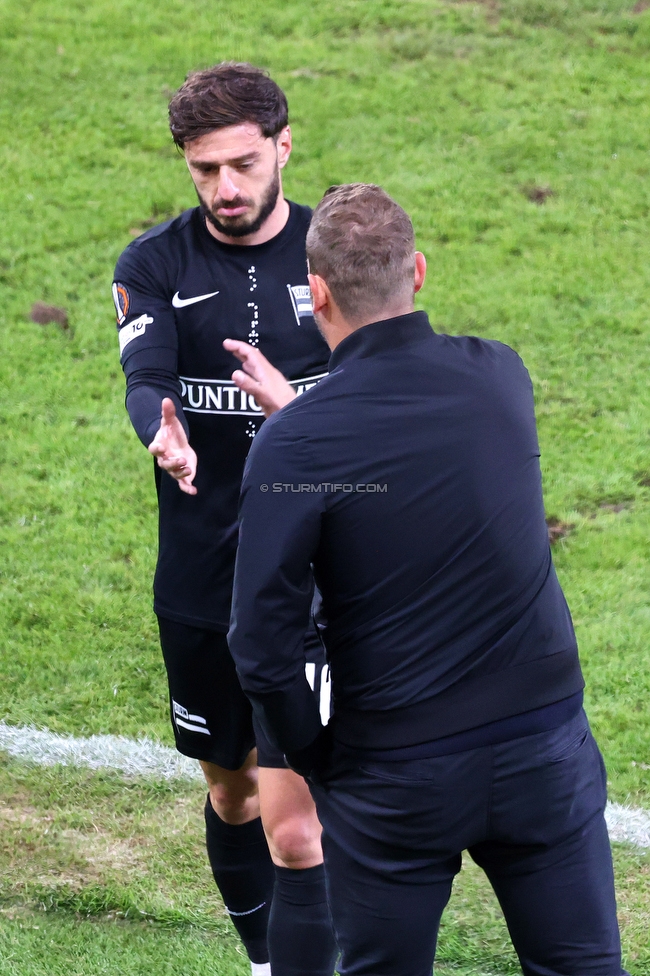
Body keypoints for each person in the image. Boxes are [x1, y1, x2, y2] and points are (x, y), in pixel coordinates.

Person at [228, 183, 629, 976]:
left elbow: (261, 646)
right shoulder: (501, 375)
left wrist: (313, 754)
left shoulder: (297, 445)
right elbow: (407, 459)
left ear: (315, 295)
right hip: (543, 749)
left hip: (394, 776)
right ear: (417, 271)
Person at [112, 63, 337, 976]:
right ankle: (264, 959)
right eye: (205, 169)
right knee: (235, 793)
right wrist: (159, 432)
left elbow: (386, 394)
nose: (225, 187)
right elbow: (147, 377)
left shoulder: (333, 253)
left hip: (319, 576)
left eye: (243, 163)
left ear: (284, 146)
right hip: (202, 576)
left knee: (300, 824)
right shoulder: (153, 264)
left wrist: (304, 421)